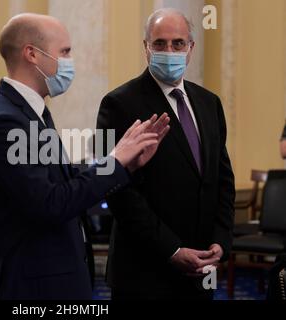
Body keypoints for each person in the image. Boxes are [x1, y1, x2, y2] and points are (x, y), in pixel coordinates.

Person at [0, 13, 170, 300]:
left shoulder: (32, 113)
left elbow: (62, 181)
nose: (69, 61)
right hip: (33, 286)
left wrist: (125, 164)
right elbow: (51, 203)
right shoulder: (5, 122)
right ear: (32, 54)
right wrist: (113, 161)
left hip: (54, 277)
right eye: (64, 52)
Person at [97, 8, 235, 300]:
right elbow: (118, 191)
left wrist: (220, 240)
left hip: (202, 267)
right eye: (159, 44)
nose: (169, 50)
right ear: (146, 48)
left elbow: (222, 178)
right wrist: (172, 250)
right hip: (145, 272)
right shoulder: (118, 104)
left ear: (191, 48)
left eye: (178, 43)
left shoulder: (210, 103)